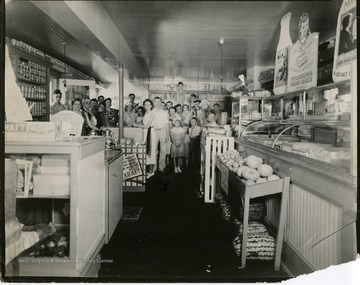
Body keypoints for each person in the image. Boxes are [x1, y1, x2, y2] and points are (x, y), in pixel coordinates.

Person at [133, 99, 157, 178]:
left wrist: (137, 125)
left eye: (148, 104)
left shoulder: (152, 114)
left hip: (151, 132)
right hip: (145, 132)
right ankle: (147, 170)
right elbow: (143, 123)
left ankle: (151, 171)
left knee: (152, 151)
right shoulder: (146, 113)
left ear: (151, 105)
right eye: (145, 104)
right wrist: (136, 124)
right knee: (146, 150)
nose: (147, 106)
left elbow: (147, 126)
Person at [152, 97, 169, 172]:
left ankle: (162, 166)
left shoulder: (164, 112)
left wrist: (167, 134)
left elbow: (166, 124)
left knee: (163, 150)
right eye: (156, 101)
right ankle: (154, 167)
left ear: (161, 103)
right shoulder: (151, 112)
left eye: (159, 102)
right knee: (154, 150)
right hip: (154, 131)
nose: (158, 103)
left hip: (162, 131)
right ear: (153, 102)